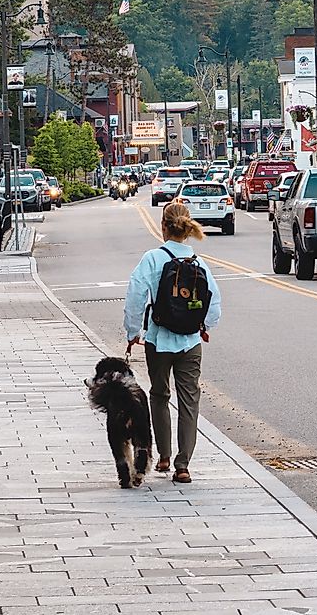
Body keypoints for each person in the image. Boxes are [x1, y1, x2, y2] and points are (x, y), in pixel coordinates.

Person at [123, 201, 222, 485]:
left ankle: (164, 456)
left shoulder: (152, 259)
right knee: (189, 399)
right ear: (188, 229)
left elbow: (135, 297)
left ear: (163, 227)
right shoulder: (199, 262)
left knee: (159, 394)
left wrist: (133, 333)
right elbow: (214, 302)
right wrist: (204, 327)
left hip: (158, 338)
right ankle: (183, 465)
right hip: (190, 340)